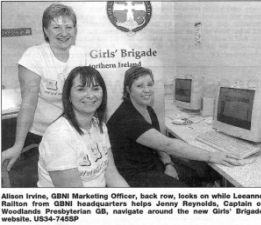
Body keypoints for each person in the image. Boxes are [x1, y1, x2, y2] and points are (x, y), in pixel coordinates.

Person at [107, 66, 244, 187]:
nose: (147, 90)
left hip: (152, 164)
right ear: (128, 89)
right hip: (134, 175)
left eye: (149, 84)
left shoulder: (147, 109)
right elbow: (167, 145)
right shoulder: (127, 117)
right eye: (140, 86)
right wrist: (211, 156)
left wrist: (168, 164)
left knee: (193, 176)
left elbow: (158, 142)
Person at [2, 3, 86, 172]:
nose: (64, 33)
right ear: (46, 31)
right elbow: (28, 103)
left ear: (75, 30)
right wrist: (18, 145)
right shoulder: (34, 56)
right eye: (56, 27)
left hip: (71, 132)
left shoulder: (80, 54)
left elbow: (83, 99)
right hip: (39, 135)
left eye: (69, 27)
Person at [38, 66, 129, 187]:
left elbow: (111, 174)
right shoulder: (59, 135)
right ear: (69, 96)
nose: (90, 95)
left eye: (96, 88)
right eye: (81, 89)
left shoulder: (99, 126)